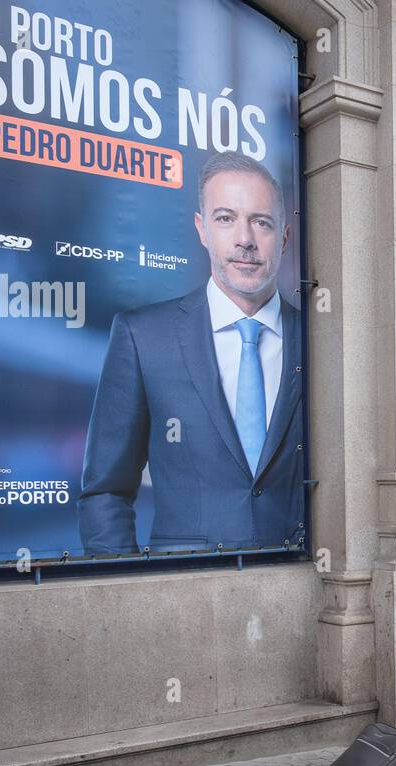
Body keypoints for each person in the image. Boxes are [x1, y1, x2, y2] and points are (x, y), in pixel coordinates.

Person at [78, 151, 304, 555]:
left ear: (284, 237)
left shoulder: (320, 340)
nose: (245, 239)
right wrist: (131, 589)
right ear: (202, 229)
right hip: (181, 592)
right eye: (225, 218)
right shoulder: (143, 336)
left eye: (262, 222)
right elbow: (105, 492)